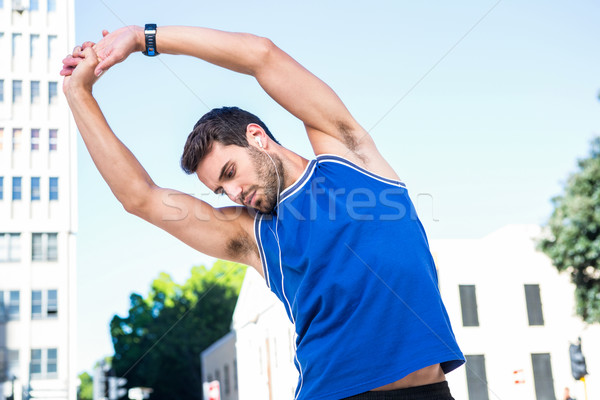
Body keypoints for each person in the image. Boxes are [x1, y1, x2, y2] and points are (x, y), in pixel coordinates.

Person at [62, 25, 464, 400]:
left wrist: (142, 37)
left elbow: (262, 57)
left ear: (257, 136)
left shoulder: (349, 157)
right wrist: (78, 95)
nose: (234, 193)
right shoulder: (253, 236)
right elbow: (141, 197)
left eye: (230, 172)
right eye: (221, 189)